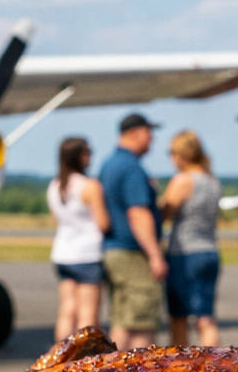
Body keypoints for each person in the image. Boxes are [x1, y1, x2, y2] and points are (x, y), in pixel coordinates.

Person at [98, 113, 167, 350]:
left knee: (123, 321)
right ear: (135, 133)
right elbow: (138, 213)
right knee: (141, 326)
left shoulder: (109, 164)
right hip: (133, 253)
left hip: (114, 250)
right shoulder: (132, 168)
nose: (152, 139)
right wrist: (155, 255)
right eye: (149, 133)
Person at [160, 130, 221, 347]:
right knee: (205, 316)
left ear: (182, 154)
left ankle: (180, 368)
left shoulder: (182, 181)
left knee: (178, 317)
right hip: (209, 250)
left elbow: (165, 213)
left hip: (184, 253)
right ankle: (213, 365)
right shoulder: (212, 181)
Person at [47, 137, 110, 342]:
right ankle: (84, 363)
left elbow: (58, 220)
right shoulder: (89, 186)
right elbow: (103, 223)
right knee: (88, 316)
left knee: (67, 310)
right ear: (79, 156)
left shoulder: (55, 186)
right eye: (87, 152)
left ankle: (59, 361)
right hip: (87, 254)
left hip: (63, 253)